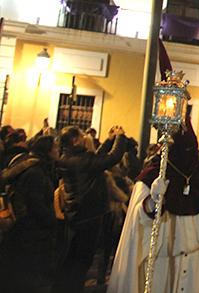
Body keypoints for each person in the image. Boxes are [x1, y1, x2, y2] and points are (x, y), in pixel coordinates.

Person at [108, 111, 199, 293]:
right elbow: (139, 223)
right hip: (161, 264)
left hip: (197, 264)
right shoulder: (152, 177)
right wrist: (153, 201)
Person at [53, 125, 127, 293]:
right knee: (82, 261)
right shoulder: (82, 160)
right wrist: (120, 138)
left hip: (77, 214)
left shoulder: (68, 158)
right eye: (81, 136)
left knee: (71, 258)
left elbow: (96, 159)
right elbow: (111, 158)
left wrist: (109, 141)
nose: (85, 138)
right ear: (75, 140)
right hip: (88, 215)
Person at [0, 135, 59, 293]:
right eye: (55, 147)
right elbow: (35, 204)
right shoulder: (36, 172)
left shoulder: (35, 166)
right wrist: (51, 220)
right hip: (31, 233)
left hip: (28, 233)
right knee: (26, 278)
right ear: (47, 151)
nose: (58, 150)